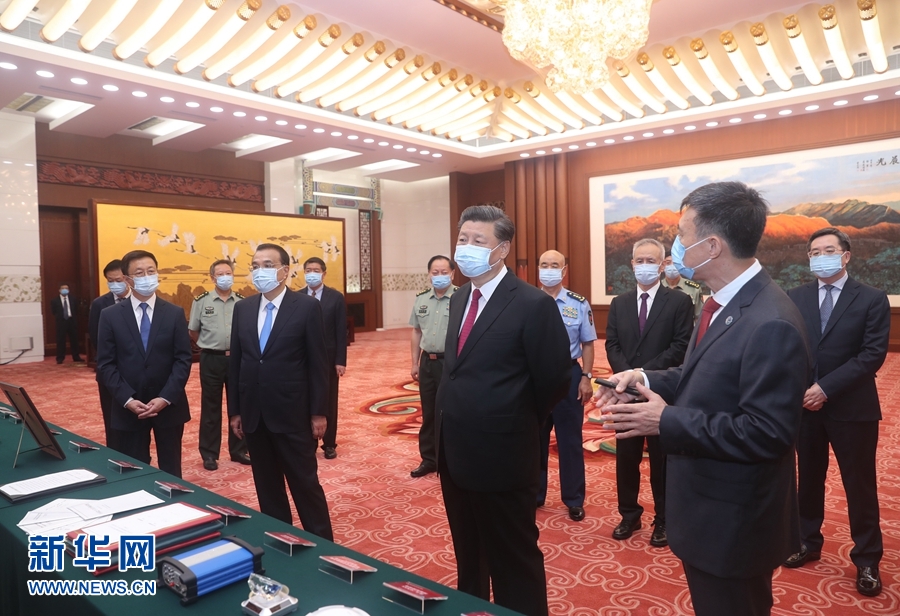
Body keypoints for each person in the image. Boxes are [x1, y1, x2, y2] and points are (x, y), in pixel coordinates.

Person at [594, 182, 810, 616]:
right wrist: (641, 377)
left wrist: (664, 420)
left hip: (736, 522)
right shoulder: (723, 303)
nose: (676, 245)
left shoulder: (771, 320)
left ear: (712, 246)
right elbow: (700, 375)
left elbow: (767, 433)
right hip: (709, 511)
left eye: (682, 234)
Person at [436, 205, 570, 616]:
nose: (467, 248)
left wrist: (513, 423)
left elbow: (553, 380)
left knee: (514, 561)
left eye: (478, 241)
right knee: (468, 555)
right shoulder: (460, 297)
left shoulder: (532, 304)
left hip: (503, 456)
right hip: (454, 452)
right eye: (463, 239)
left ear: (503, 249)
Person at [783, 227, 890, 597]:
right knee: (808, 479)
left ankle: (867, 559)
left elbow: (872, 354)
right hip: (805, 407)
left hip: (852, 407)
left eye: (828, 250)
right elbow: (788, 348)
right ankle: (807, 541)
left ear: (846, 256)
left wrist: (825, 388)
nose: (820, 257)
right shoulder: (795, 296)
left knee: (859, 485)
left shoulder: (872, 298)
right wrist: (802, 389)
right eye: (814, 252)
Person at [228, 243, 333, 540]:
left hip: (293, 414)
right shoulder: (243, 308)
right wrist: (235, 411)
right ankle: (281, 543)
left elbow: (318, 364)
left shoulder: (307, 307)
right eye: (255, 266)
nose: (259, 271)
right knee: (267, 487)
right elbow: (236, 363)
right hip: (254, 415)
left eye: (267, 265)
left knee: (305, 485)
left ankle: (324, 546)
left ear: (284, 271)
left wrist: (318, 412)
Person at [605, 239, 693, 546]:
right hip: (624, 394)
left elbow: (680, 347)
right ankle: (629, 514)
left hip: (661, 394)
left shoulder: (679, 302)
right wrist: (627, 381)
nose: (645, 266)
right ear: (632, 264)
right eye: (639, 260)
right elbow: (612, 345)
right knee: (626, 459)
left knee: (662, 461)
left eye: (651, 260)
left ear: (663, 264)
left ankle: (664, 519)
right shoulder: (619, 303)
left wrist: (642, 376)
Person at [96, 250, 192, 478]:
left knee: (171, 470)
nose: (147, 277)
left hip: (169, 406)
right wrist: (127, 399)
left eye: (151, 271)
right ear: (127, 279)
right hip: (129, 407)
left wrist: (165, 397)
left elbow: (183, 359)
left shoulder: (174, 313)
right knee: (134, 470)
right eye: (139, 273)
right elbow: (106, 364)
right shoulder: (110, 315)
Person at [536, 249, 596, 522]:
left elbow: (588, 343)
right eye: (544, 264)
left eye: (554, 265)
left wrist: (586, 376)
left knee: (569, 440)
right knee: (533, 439)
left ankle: (573, 499)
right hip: (535, 377)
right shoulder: (528, 301)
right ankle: (535, 494)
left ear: (564, 270)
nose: (548, 269)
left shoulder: (578, 303)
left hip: (568, 375)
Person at [189, 259, 249, 471]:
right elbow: (193, 331)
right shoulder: (202, 301)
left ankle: (239, 450)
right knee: (211, 407)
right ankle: (209, 454)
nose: (225, 277)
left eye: (228, 273)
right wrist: (209, 345)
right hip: (211, 359)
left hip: (237, 359)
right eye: (220, 274)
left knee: (239, 406)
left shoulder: (241, 302)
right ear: (213, 278)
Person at [408, 255, 457, 478]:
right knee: (428, 412)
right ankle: (429, 459)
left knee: (451, 412)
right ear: (428, 274)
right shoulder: (421, 299)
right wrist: (414, 363)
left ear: (452, 273)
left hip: (451, 363)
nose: (439, 276)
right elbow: (416, 331)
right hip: (428, 362)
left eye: (444, 272)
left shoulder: (460, 298)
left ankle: (451, 460)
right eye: (435, 272)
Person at [299, 256, 347, 460]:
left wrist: (340, 361)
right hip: (303, 357)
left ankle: (329, 443)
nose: (312, 274)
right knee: (305, 399)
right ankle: (308, 441)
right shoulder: (297, 297)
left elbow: (341, 331)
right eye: (308, 270)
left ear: (324, 273)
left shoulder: (335, 298)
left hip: (328, 358)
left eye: (316, 270)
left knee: (328, 400)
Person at [88, 259, 131, 450]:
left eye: (118, 280)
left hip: (135, 371)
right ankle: (115, 454)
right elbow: (96, 338)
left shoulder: (139, 301)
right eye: (110, 281)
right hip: (110, 371)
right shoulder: (100, 304)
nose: (115, 284)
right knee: (112, 419)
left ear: (127, 279)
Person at [662, 251, 704, 323]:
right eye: (668, 263)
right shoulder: (657, 287)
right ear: (662, 265)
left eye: (675, 263)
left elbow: (699, 317)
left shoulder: (693, 289)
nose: (672, 267)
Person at [50, 284, 83, 363]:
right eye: (63, 288)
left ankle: (76, 357)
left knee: (74, 339)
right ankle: (60, 358)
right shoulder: (54, 301)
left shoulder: (73, 299)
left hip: (71, 321)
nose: (65, 289)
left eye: (66, 288)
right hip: (61, 322)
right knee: (61, 340)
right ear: (59, 290)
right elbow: (53, 311)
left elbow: (76, 309)